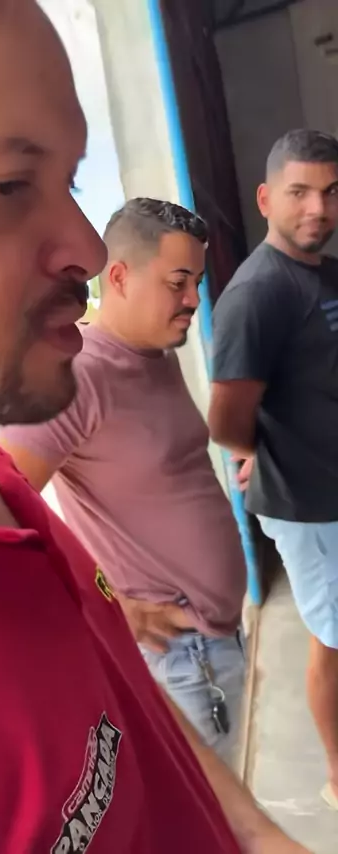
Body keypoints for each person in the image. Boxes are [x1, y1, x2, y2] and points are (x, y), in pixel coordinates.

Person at [0, 3, 310, 851]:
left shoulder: (5, 506)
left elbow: (133, 711)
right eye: (8, 184)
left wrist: (250, 831)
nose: (86, 248)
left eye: (70, 181)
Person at [0, 197, 248, 764]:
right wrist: (107, 606)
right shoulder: (76, 376)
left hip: (212, 644)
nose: (194, 299)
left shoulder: (155, 353)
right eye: (178, 282)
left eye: (197, 282)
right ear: (118, 277)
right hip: (178, 660)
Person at [209, 128, 338, 811]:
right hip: (309, 505)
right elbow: (226, 421)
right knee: (333, 642)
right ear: (265, 199)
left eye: (331, 192)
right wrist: (256, 455)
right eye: (299, 192)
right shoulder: (257, 294)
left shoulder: (323, 273)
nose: (317, 208)